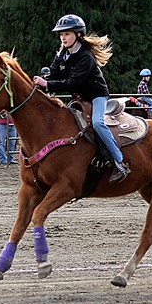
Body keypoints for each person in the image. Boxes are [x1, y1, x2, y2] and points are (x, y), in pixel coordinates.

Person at [32, 14, 129, 182]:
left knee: (98, 123)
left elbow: (72, 82)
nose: (63, 37)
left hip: (97, 96)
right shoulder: (62, 53)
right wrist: (40, 84)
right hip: (80, 98)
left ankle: (119, 161)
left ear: (77, 35)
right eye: (61, 34)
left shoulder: (85, 56)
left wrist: (47, 85)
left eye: (67, 34)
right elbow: (54, 74)